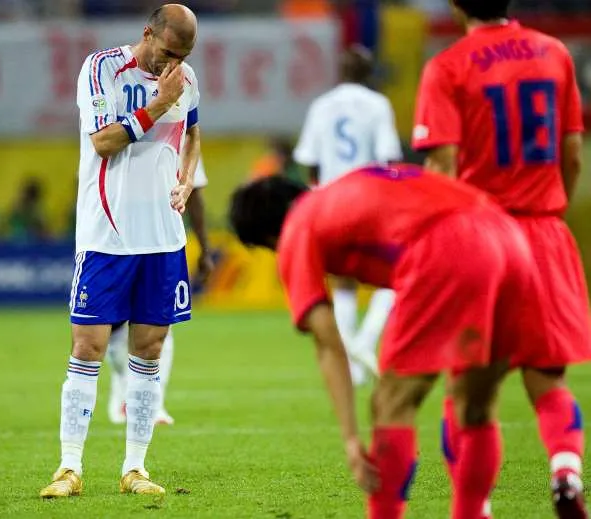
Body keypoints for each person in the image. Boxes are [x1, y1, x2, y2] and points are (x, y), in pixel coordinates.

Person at [229, 166, 549, 519]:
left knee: (390, 405)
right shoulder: (349, 187)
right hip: (511, 239)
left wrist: (351, 439)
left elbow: (328, 342)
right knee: (475, 405)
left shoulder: (297, 227)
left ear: (267, 238)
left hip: (445, 249)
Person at [412, 1, 590, 517]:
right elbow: (572, 154)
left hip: (480, 238)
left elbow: (443, 164)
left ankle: (473, 507)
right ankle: (564, 468)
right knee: (548, 379)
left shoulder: (449, 65)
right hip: (543, 232)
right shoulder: (553, 53)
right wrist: (549, 208)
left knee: (466, 389)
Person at [39, 3, 201, 498]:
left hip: (162, 238)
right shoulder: (101, 68)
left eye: (182, 57)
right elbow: (105, 142)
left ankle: (135, 468)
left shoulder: (185, 78)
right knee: (86, 348)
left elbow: (192, 134)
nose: (171, 66)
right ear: (147, 33)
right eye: (167, 53)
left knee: (149, 352)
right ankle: (69, 468)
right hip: (105, 237)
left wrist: (188, 178)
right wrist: (155, 103)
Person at [293, 44, 403, 386]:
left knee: (342, 280)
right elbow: (388, 158)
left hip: (330, 199)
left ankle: (353, 361)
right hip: (369, 196)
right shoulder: (378, 105)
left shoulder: (322, 105)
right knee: (396, 274)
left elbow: (309, 159)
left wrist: (316, 192)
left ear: (340, 73)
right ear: (369, 74)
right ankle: (364, 344)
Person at [106, 157, 214, 426]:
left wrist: (204, 248)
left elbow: (195, 194)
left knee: (158, 321)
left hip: (162, 242)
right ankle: (122, 382)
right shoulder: (114, 127)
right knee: (112, 325)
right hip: (114, 241)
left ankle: (152, 402)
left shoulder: (183, 135)